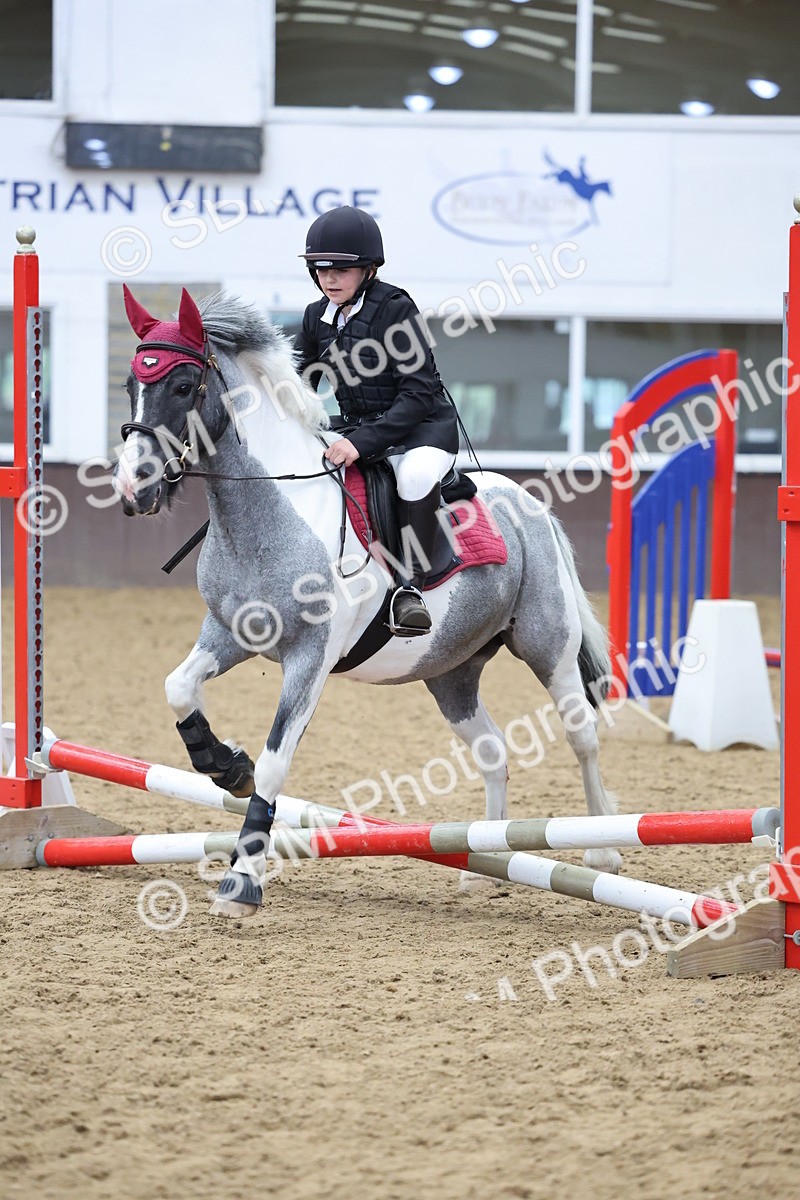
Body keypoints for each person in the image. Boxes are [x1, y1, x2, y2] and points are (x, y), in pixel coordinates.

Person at [294, 206, 459, 635]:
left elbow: (418, 395)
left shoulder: (396, 310)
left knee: (414, 478)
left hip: (421, 430)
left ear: (369, 269)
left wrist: (359, 443)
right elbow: (299, 383)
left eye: (341, 270)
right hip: (359, 426)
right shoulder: (316, 317)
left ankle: (410, 589)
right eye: (321, 269)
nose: (329, 279)